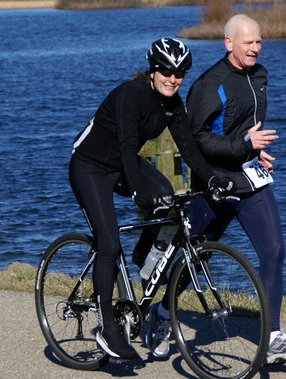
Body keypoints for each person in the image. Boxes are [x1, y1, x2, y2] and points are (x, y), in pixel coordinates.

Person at [147, 15, 286, 365]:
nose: (256, 48)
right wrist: (243, 143)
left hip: (250, 180)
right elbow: (198, 140)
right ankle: (162, 316)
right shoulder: (209, 85)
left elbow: (245, 126)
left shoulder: (260, 74)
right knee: (197, 258)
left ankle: (271, 338)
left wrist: (255, 150)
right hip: (214, 183)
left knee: (275, 251)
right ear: (229, 43)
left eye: (259, 41)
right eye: (248, 42)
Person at [69, 38, 234, 360]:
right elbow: (128, 146)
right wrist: (136, 191)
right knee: (109, 243)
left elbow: (189, 148)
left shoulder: (173, 104)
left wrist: (213, 177)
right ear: (153, 70)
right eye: (167, 72)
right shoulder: (132, 94)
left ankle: (143, 255)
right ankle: (107, 327)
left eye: (180, 73)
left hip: (121, 164)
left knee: (165, 197)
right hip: (90, 167)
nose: (173, 79)